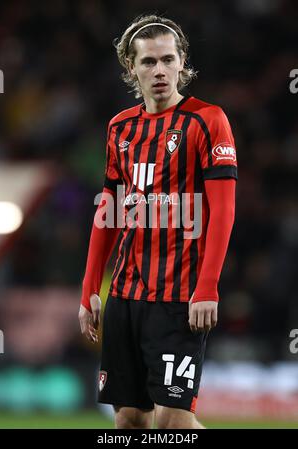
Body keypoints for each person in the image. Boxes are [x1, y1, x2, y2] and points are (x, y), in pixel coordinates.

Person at [79, 14, 237, 429]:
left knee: (173, 424)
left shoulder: (208, 120)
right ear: (132, 67)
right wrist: (90, 288)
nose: (160, 70)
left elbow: (222, 210)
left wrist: (208, 286)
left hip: (179, 298)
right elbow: (108, 210)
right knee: (130, 420)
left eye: (168, 59)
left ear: (182, 61)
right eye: (149, 62)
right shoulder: (120, 127)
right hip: (126, 296)